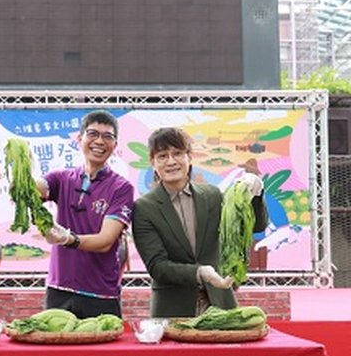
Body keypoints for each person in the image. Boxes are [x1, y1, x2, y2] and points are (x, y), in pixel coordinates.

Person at [132, 127, 268, 318]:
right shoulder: (144, 208)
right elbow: (157, 266)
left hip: (220, 304)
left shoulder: (212, 196)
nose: (171, 161)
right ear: (153, 163)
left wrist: (256, 195)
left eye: (177, 153)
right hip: (172, 310)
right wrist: (200, 272)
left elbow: (254, 227)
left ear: (189, 157)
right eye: (162, 156)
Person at [37, 110, 135, 318]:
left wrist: (68, 239)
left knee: (103, 339)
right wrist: (22, 170)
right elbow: (35, 190)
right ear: (79, 138)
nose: (99, 141)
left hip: (101, 293)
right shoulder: (61, 178)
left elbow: (105, 241)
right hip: (59, 289)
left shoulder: (121, 188)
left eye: (107, 136)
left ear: (115, 145)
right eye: (93, 134)